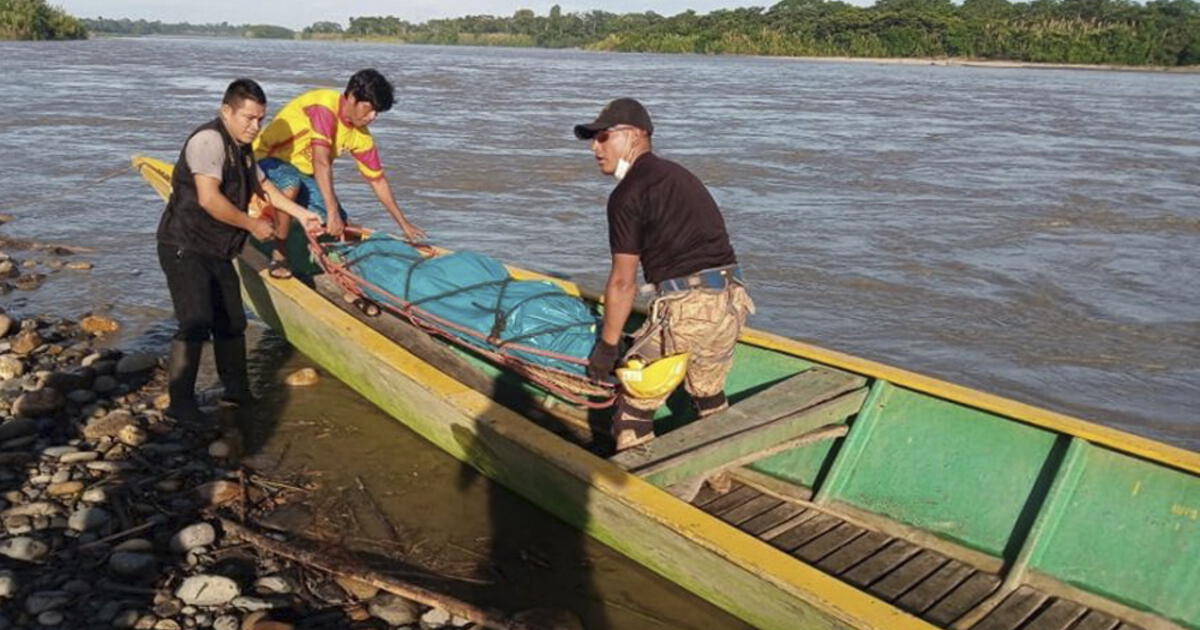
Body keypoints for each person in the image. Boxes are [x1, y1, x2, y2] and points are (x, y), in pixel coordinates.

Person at [575, 98, 755, 452]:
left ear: (636, 135)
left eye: (603, 137)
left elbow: (623, 282)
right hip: (730, 303)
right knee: (707, 395)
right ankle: (720, 477)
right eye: (593, 140)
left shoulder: (627, 194)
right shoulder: (678, 175)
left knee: (632, 408)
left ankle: (636, 487)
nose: (595, 148)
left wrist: (608, 348)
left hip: (688, 309)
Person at [157, 78, 323, 423]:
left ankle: (237, 392)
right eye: (249, 118)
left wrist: (303, 215)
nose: (255, 126)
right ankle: (180, 404)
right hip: (185, 245)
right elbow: (209, 199)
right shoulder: (208, 141)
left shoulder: (244, 148)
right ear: (226, 111)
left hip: (219, 248)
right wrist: (252, 226)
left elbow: (265, 188)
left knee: (232, 322)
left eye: (261, 119)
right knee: (195, 322)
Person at [253, 68, 426, 278]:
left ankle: (349, 273)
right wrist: (332, 210)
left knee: (343, 227)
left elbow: (378, 181)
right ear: (352, 97)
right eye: (369, 109)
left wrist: (403, 224)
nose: (373, 117)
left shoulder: (361, 137)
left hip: (304, 173)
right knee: (291, 184)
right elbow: (321, 161)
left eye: (377, 112)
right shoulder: (324, 106)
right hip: (265, 160)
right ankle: (279, 253)